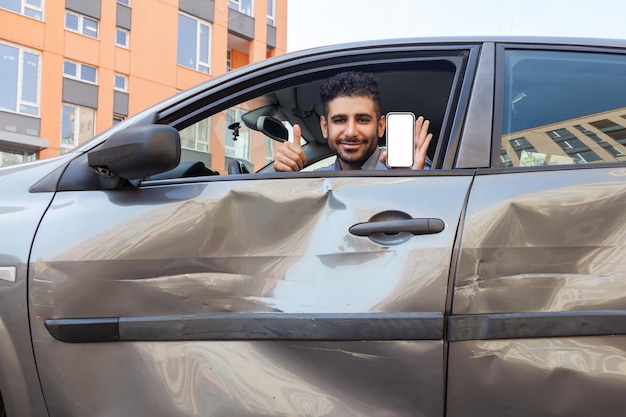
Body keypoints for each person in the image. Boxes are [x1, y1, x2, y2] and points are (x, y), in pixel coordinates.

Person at [274, 71, 433, 172]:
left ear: (380, 126)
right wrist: (283, 180)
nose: (351, 132)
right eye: (339, 120)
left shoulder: (408, 166)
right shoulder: (315, 183)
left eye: (363, 120)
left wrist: (412, 183)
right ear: (325, 127)